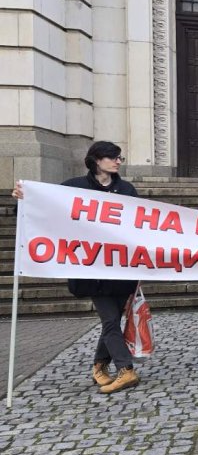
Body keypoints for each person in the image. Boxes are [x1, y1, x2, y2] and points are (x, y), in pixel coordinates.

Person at [12, 141, 141, 394]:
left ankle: (99, 366)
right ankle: (126, 370)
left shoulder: (126, 189)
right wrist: (23, 199)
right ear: (96, 160)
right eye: (112, 157)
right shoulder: (73, 187)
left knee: (111, 321)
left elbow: (139, 225)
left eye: (119, 158)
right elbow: (42, 209)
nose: (117, 162)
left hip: (120, 268)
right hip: (89, 269)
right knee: (111, 320)